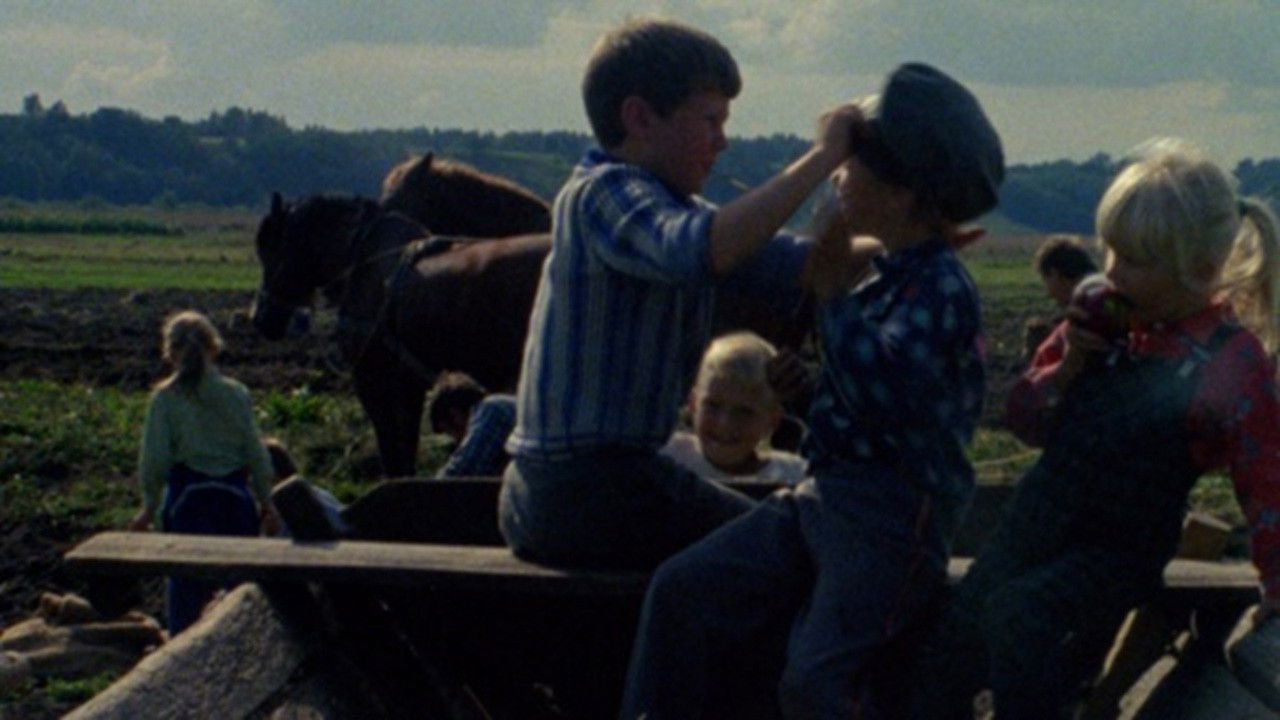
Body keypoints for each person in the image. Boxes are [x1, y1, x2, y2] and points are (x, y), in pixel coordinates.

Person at [620, 62, 1004, 719]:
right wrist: (809, 390)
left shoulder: (940, 285)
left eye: (851, 164)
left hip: (893, 517)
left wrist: (832, 299)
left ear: (904, 193)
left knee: (818, 683)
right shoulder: (886, 271)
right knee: (683, 590)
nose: (838, 175)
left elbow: (899, 393)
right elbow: (871, 385)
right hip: (827, 498)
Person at [908, 140, 1280, 719]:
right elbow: (1025, 421)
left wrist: (1276, 589)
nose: (1111, 272)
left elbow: (1267, 484)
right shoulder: (1101, 325)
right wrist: (1068, 366)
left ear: (1201, 271)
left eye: (1133, 260)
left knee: (1024, 620)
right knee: (957, 635)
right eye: (1109, 251)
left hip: (1118, 544)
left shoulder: (1229, 362)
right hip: (1037, 517)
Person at [498, 16, 863, 571]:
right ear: (640, 118)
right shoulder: (603, 194)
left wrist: (903, 244)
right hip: (582, 485)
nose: (722, 140)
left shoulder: (675, 207)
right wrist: (823, 157)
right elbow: (696, 250)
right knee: (788, 549)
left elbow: (797, 262)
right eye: (710, 119)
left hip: (608, 483)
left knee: (775, 538)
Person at [127, 310, 280, 634]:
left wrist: (149, 507)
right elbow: (256, 453)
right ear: (214, 348)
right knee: (239, 597)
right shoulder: (236, 393)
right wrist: (267, 501)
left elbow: (154, 460)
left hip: (187, 503)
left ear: (169, 354)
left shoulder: (166, 399)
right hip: (235, 502)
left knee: (185, 593)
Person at [660, 331, 807, 485]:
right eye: (713, 406)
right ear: (693, 404)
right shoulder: (669, 457)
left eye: (743, 412)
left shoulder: (793, 477)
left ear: (773, 420)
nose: (724, 423)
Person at [1022, 234, 1101, 362]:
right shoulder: (1105, 294)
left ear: (1055, 275)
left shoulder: (1089, 310)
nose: (1049, 293)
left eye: (1045, 280)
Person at [428, 372, 515, 478]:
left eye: (451, 433)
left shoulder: (492, 410)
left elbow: (463, 470)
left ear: (456, 416)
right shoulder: (500, 405)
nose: (458, 442)